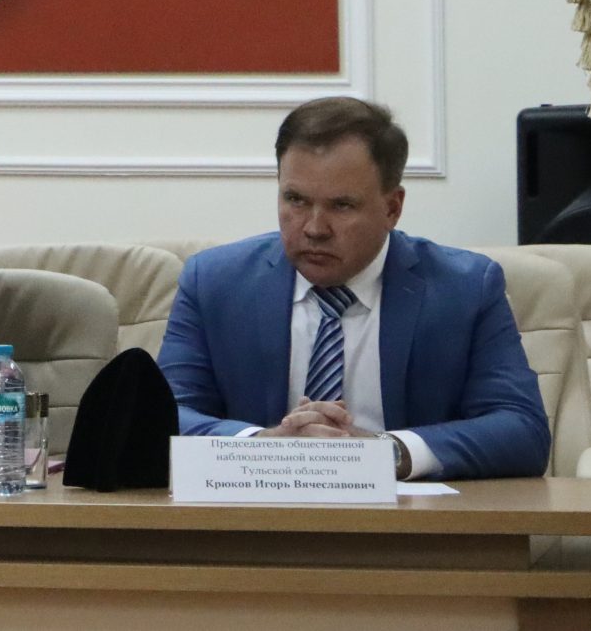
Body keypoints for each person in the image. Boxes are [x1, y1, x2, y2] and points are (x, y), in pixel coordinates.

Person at [158, 98, 550, 480]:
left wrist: (385, 452)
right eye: (295, 200)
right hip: (255, 514)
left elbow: (522, 430)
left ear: (392, 208)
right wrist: (263, 446)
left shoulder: (464, 288)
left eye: (342, 205)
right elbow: (164, 416)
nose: (314, 228)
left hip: (409, 518)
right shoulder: (215, 282)